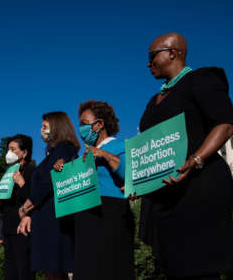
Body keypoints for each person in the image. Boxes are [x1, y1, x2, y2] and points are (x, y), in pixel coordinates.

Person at [139, 32, 233, 280]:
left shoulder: (201, 80)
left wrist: (195, 160)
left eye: (152, 57)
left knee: (199, 268)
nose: (148, 64)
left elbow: (224, 124)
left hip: (197, 189)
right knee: (171, 269)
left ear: (173, 52)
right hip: (164, 196)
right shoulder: (152, 102)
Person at [56, 100, 134, 280]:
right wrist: (63, 169)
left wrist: (105, 155)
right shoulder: (82, 156)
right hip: (86, 217)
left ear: (99, 124)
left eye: (84, 123)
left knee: (111, 267)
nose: (80, 128)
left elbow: (130, 176)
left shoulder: (119, 146)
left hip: (110, 213)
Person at [18, 112, 79, 280]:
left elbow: (51, 181)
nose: (41, 130)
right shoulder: (50, 154)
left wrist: (26, 207)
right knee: (48, 270)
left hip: (54, 219)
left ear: (57, 127)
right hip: (43, 218)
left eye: (44, 126)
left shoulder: (65, 149)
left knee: (55, 268)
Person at [0, 134, 35, 280]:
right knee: (10, 273)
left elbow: (33, 198)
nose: (9, 153)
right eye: (8, 149)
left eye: (13, 149)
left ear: (24, 152)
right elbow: (7, 205)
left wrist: (22, 183)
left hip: (23, 228)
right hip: (9, 228)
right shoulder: (8, 173)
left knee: (23, 270)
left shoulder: (30, 171)